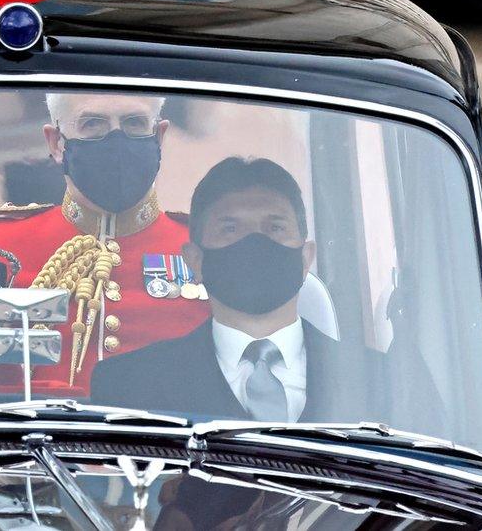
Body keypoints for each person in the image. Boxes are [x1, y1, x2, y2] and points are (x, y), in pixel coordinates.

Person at [92, 157, 441, 426]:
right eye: (231, 229)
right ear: (195, 261)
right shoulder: (127, 386)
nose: (254, 243)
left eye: (274, 228)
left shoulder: (388, 385)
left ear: (306, 258)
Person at [0, 93, 210, 390]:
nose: (117, 139)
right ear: (56, 143)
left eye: (135, 123)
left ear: (159, 136)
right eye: (92, 124)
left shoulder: (205, 248)